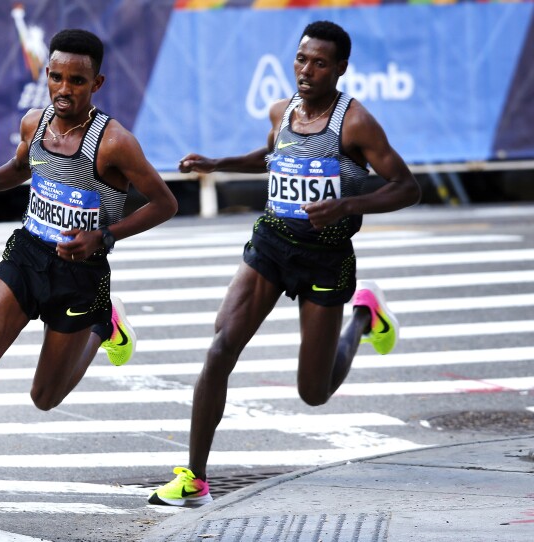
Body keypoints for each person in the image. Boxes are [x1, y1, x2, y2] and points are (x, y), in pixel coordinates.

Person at [0, 28, 178, 535]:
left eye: (76, 80)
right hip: (28, 255)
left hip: (81, 275)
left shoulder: (115, 142)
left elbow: (166, 203)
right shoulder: (36, 122)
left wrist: (105, 235)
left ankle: (103, 325)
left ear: (96, 82)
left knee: (44, 398)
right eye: (55, 76)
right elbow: (19, 167)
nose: (63, 88)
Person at [148, 20, 421, 507]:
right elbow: (270, 156)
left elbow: (407, 187)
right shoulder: (282, 111)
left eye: (319, 63)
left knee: (313, 392)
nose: (306, 70)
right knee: (221, 346)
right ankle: (194, 476)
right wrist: (219, 162)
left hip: (326, 256)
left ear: (340, 68)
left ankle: (364, 316)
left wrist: (344, 206)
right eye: (301, 59)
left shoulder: (355, 122)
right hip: (272, 243)